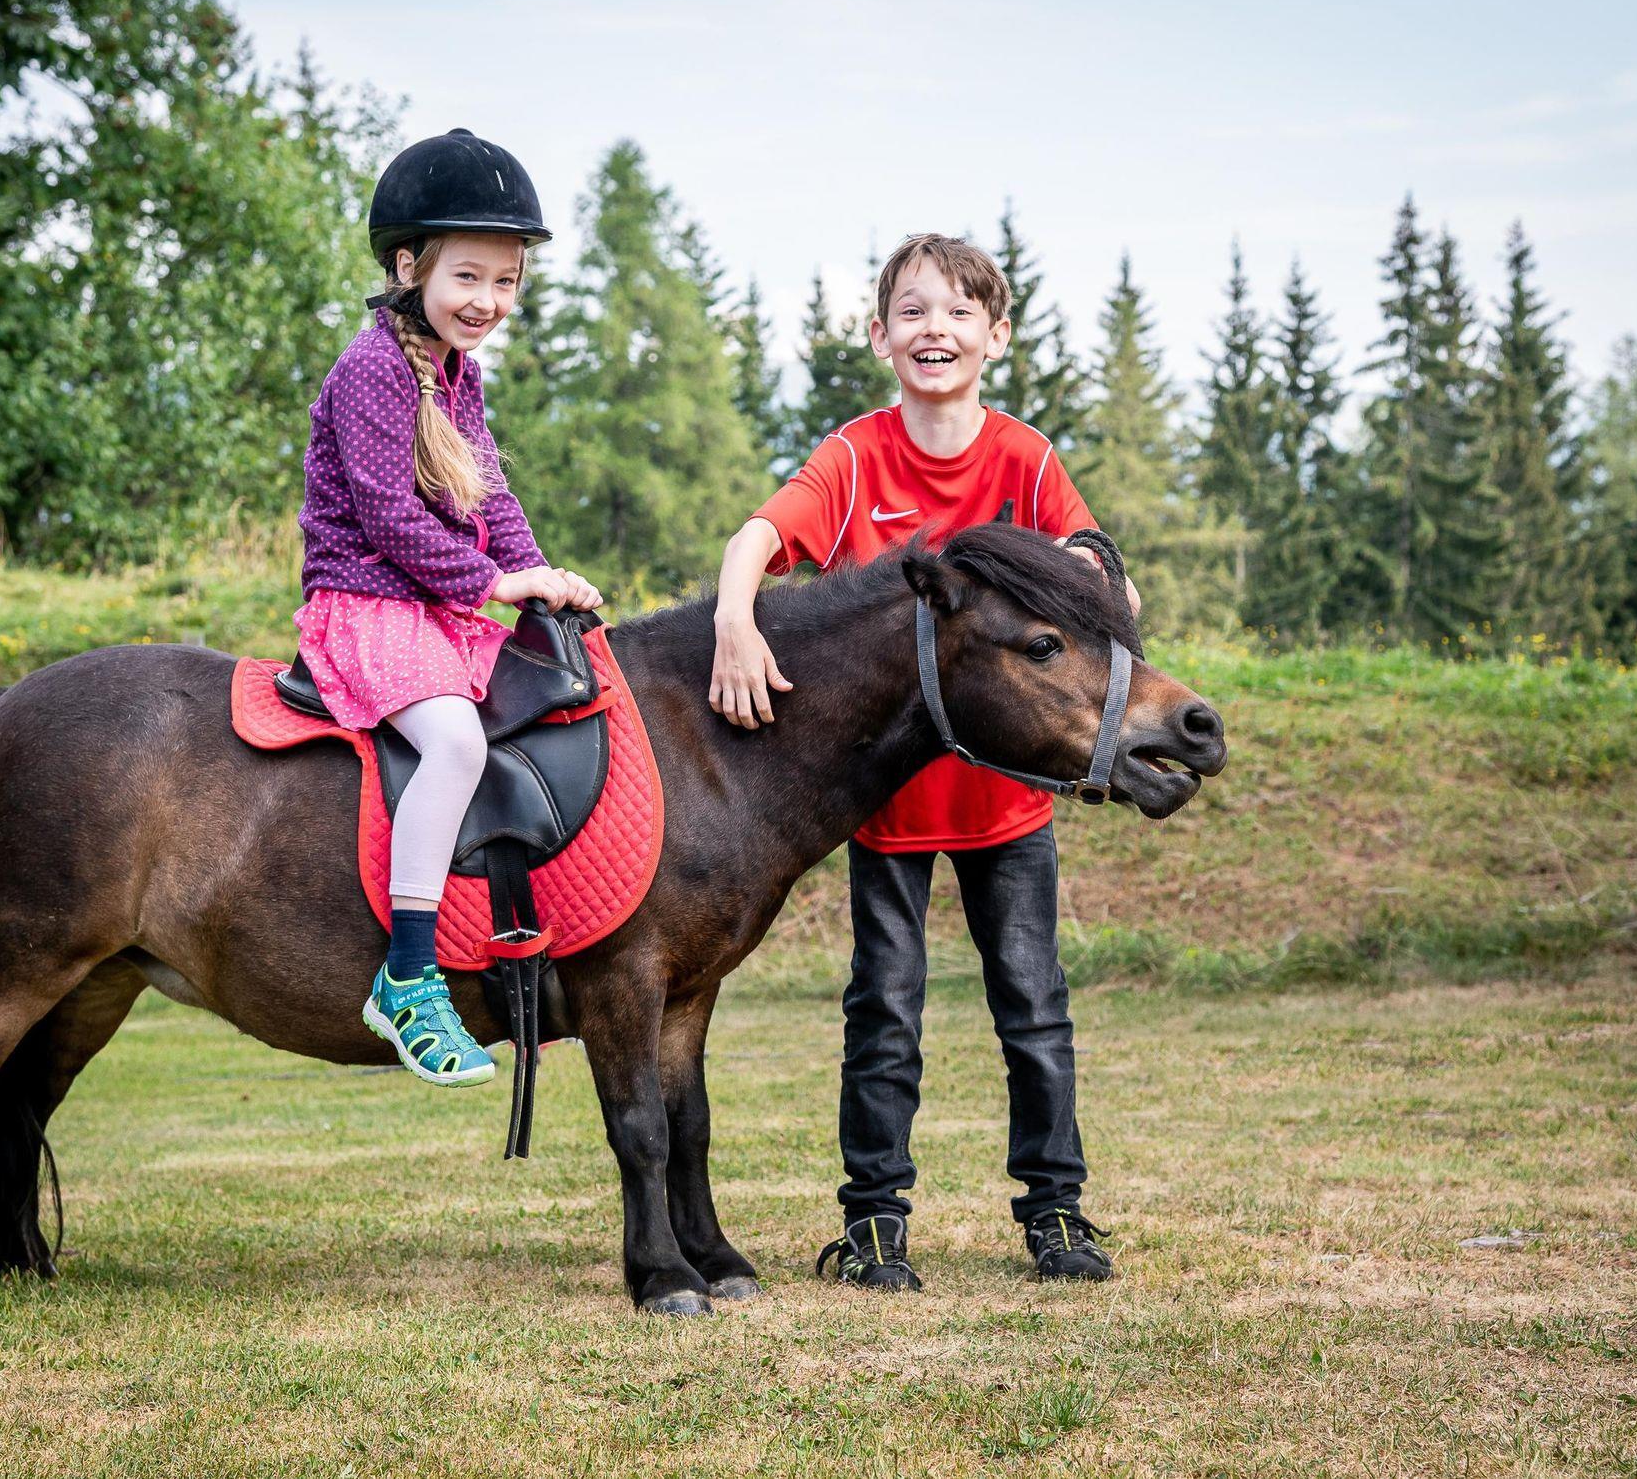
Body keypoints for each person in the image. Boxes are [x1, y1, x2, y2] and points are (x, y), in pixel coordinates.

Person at [708, 233, 1141, 1287]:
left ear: (997, 336)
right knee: (884, 1017)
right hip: (889, 805)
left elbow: (1102, 579)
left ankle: (1056, 1216)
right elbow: (756, 540)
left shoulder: (1025, 459)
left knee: (1032, 1010)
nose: (932, 328)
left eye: (956, 312)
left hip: (1009, 801)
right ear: (878, 335)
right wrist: (733, 622)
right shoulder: (854, 458)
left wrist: (1092, 579)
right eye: (911, 311)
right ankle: (871, 1225)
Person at [296, 128, 601, 1087]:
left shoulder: (460, 374)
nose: (489, 301)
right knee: (459, 746)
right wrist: (492, 585)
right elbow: (389, 516)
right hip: (369, 600)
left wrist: (541, 575)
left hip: (435, 605)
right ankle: (407, 977)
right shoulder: (372, 369)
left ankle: (527, 950)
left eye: (507, 282)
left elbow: (488, 495)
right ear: (408, 267)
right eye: (468, 277)